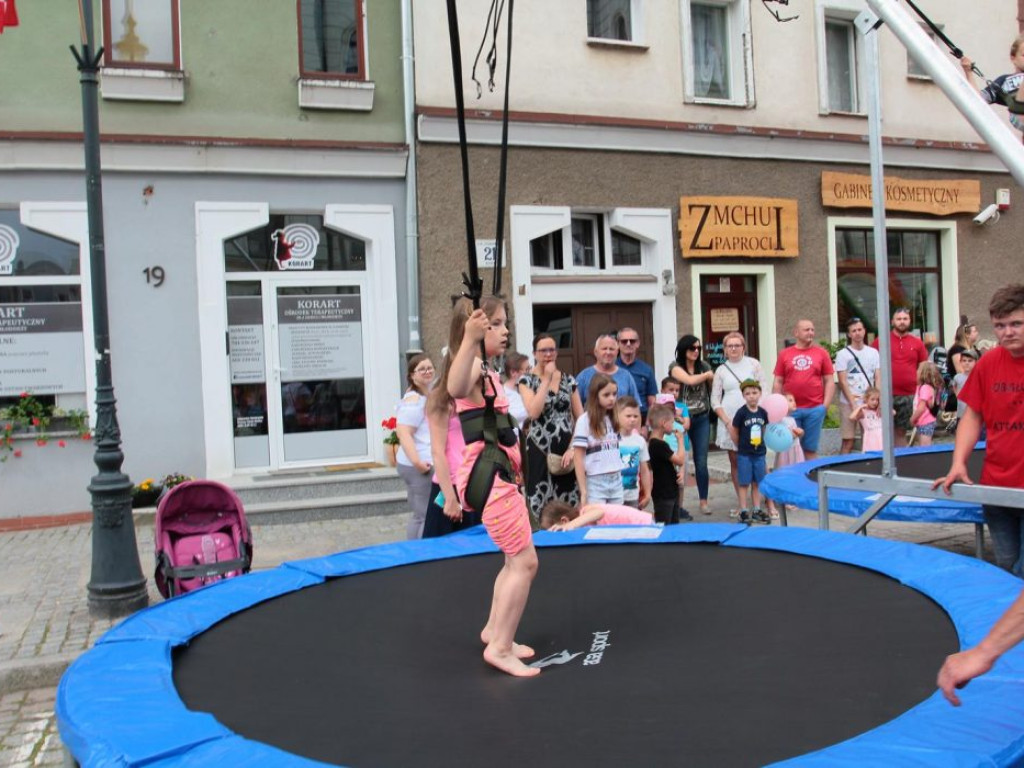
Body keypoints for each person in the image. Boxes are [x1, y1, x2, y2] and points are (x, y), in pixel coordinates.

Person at [935, 285, 1024, 704]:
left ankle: (1000, 648)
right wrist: (958, 462)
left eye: (1017, 324)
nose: (1008, 333)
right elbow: (974, 414)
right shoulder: (989, 364)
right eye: (1001, 326)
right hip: (998, 486)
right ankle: (1008, 642)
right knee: (1004, 565)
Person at [446, 296, 538, 677]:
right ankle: (500, 648)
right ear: (477, 328)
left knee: (511, 561)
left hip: (497, 475)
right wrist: (469, 339)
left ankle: (495, 632)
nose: (505, 330)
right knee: (525, 562)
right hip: (491, 477)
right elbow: (454, 386)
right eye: (497, 324)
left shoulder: (487, 369)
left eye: (505, 323)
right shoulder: (470, 366)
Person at [518, 333, 583, 523]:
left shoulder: (568, 380)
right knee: (540, 500)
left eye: (552, 350)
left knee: (568, 501)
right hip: (539, 448)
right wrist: (546, 380)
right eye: (543, 350)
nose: (548, 354)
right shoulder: (526, 381)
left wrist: (573, 447)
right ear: (534, 354)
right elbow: (534, 412)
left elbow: (581, 417)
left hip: (566, 448)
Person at [711, 332, 766, 503]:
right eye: (729, 346)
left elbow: (764, 388)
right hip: (730, 420)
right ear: (725, 350)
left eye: (737, 345)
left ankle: (760, 500)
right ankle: (742, 501)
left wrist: (758, 413)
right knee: (735, 461)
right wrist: (726, 421)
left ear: (743, 347)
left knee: (758, 459)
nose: (733, 348)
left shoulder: (754, 364)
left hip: (753, 420)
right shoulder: (721, 370)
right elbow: (715, 399)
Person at [772, 319, 836, 461]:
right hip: (791, 411)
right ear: (796, 333)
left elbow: (829, 381)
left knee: (810, 449)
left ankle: (812, 480)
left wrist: (824, 407)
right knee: (789, 447)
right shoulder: (785, 354)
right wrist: (777, 408)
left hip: (814, 409)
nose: (811, 332)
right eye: (806, 330)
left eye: (812, 330)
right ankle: (792, 480)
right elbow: (778, 381)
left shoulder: (822, 353)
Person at [669, 334, 714, 514]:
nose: (696, 351)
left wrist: (709, 375)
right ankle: (678, 504)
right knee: (678, 460)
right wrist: (708, 375)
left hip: (702, 417)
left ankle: (703, 501)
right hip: (680, 420)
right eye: (692, 348)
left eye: (698, 348)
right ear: (683, 349)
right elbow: (688, 380)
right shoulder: (675, 367)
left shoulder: (703, 366)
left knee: (701, 462)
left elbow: (712, 387)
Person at [871, 308, 927, 447]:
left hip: (908, 395)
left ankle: (900, 463)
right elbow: (872, 365)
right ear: (892, 321)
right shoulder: (881, 341)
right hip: (885, 394)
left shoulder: (917, 343)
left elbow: (923, 367)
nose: (902, 322)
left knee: (901, 432)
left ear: (909, 321)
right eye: (899, 319)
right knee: (882, 431)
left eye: (905, 319)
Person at [394, 354, 435, 539]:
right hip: (418, 465)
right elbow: (403, 433)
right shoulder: (414, 400)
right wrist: (418, 462)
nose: (427, 372)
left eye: (430, 368)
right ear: (412, 375)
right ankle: (419, 553)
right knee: (424, 515)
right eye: (422, 369)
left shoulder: (426, 393)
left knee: (420, 514)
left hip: (418, 462)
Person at [572, 374, 623, 506]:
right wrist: (583, 490)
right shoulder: (584, 420)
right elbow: (578, 457)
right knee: (598, 521)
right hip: (596, 480)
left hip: (616, 478)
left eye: (614, 394)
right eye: (606, 395)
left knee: (617, 521)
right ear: (595, 396)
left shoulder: (615, 418)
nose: (612, 398)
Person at [834, 317, 881, 454]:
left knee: (870, 436)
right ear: (849, 334)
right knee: (848, 440)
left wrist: (878, 399)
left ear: (864, 331)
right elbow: (842, 381)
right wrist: (853, 403)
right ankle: (841, 470)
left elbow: (877, 377)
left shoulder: (873, 353)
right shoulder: (843, 354)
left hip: (869, 402)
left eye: (860, 329)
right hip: (849, 402)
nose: (857, 333)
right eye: (853, 331)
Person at [960, 35, 1024, 133]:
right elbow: (978, 100)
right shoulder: (1004, 81)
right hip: (1018, 113)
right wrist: (968, 72)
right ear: (1013, 58)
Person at [729, 379, 770, 524]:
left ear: (760, 394)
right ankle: (744, 510)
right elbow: (734, 430)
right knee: (744, 482)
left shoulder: (763, 413)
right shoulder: (741, 413)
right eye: (748, 393)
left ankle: (757, 509)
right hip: (745, 454)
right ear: (743, 396)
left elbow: (764, 429)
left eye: (754, 392)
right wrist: (739, 445)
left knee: (757, 482)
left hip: (759, 453)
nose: (751, 396)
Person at [646, 403, 688, 524]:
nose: (673, 426)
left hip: (669, 491)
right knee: (665, 526)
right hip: (664, 494)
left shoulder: (656, 443)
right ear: (664, 423)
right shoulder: (659, 445)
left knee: (674, 524)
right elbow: (680, 460)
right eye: (671, 422)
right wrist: (680, 440)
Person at [765, 392, 804, 521]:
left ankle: (793, 497)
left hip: (795, 450)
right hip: (785, 452)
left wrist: (800, 432)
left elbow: (797, 432)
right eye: (790, 400)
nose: (793, 402)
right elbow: (782, 436)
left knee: (795, 474)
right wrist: (793, 434)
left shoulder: (792, 419)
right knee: (784, 474)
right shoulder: (780, 420)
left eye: (794, 400)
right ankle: (784, 499)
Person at [576, 333, 641, 407]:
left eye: (611, 349)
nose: (608, 352)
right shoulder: (583, 377)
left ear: (617, 352)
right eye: (604, 349)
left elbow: (635, 406)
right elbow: (575, 408)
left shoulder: (626, 376)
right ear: (596, 352)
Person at [616, 327, 658, 423]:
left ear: (637, 343)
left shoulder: (646, 370)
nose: (628, 344)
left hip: (640, 418)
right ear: (617, 344)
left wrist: (647, 427)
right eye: (624, 341)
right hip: (616, 418)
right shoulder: (612, 368)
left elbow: (652, 402)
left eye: (632, 341)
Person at [616, 396, 651, 509]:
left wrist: (648, 493)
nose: (632, 419)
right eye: (628, 416)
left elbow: (644, 470)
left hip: (632, 497)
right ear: (617, 416)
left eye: (635, 416)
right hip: (613, 496)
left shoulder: (640, 441)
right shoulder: (611, 439)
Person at [540, 500, 654, 530]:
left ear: (564, 521)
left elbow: (599, 512)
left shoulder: (585, 512)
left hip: (644, 525)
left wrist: (569, 526)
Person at [909, 361, 943, 447]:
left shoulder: (925, 388)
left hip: (925, 421)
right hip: (921, 421)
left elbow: (921, 407)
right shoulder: (922, 387)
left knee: (925, 446)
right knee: (922, 444)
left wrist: (912, 419)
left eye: (918, 369)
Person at [849, 387, 884, 453]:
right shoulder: (863, 412)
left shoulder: (879, 411)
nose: (875, 402)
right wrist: (860, 407)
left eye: (877, 400)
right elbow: (851, 417)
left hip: (881, 437)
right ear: (866, 399)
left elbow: (893, 412)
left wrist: (881, 406)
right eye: (872, 399)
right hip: (870, 438)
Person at [502, 352, 530, 429]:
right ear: (513, 372)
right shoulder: (502, 394)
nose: (529, 372)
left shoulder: (529, 389)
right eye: (527, 370)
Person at [952, 348, 978, 422]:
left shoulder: (978, 377)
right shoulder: (957, 377)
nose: (967, 363)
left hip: (975, 414)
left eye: (970, 361)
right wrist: (958, 395)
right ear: (960, 362)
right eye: (964, 360)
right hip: (961, 413)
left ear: (976, 362)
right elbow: (955, 387)